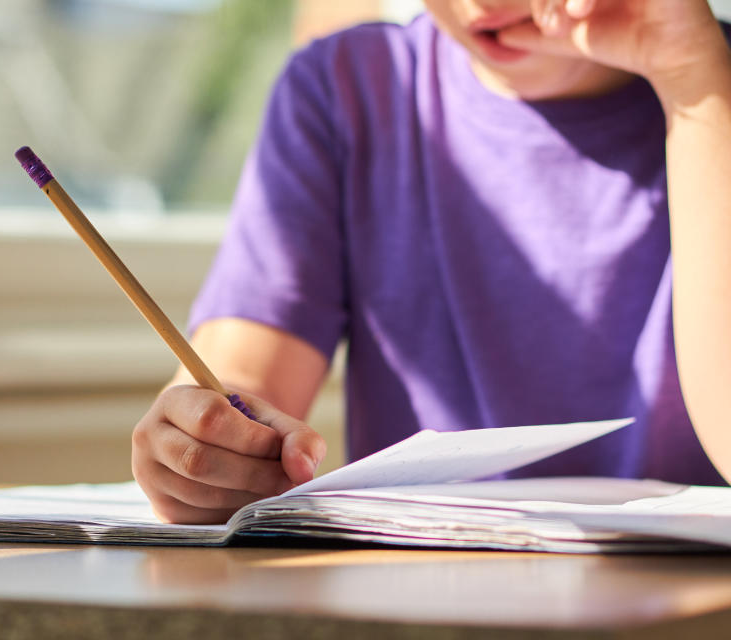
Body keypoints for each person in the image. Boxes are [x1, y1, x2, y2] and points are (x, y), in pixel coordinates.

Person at [132, 0, 731, 524]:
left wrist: (693, 77)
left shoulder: (713, 83)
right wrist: (205, 443)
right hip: (427, 594)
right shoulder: (348, 91)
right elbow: (243, 380)